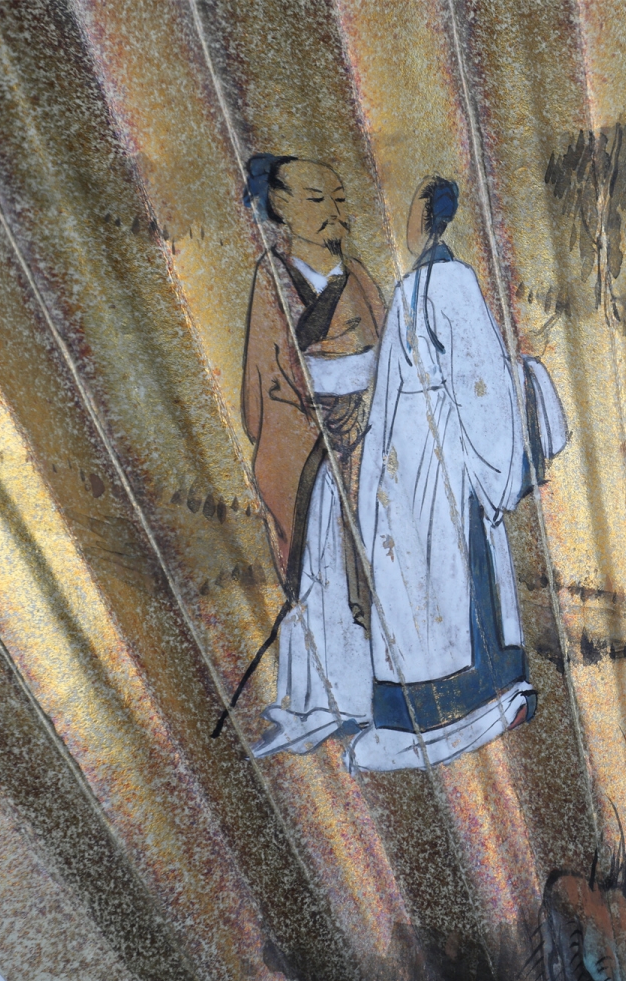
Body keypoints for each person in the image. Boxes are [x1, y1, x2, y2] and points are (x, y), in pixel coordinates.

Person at [347, 177, 544, 771]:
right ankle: (418, 710)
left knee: (456, 574)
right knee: (413, 584)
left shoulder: (453, 281)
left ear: (430, 219)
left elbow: (480, 381)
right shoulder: (408, 287)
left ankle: (482, 698)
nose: (404, 225)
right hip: (404, 464)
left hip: (444, 461)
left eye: (411, 212)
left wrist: (489, 465)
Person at [240, 154, 385, 757]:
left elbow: (395, 356)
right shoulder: (272, 278)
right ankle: (316, 704)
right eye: (318, 199)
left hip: (371, 439)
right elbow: (264, 383)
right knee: (321, 573)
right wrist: (318, 429)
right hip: (309, 449)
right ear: (281, 207)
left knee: (377, 563)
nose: (335, 213)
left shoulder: (360, 277)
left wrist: (371, 416)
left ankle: (375, 697)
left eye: (340, 199)